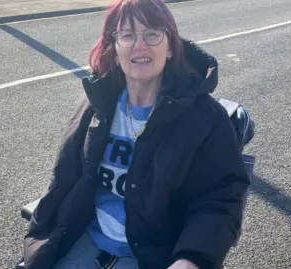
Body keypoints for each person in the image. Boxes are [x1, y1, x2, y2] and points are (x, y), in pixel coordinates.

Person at [16, 0, 250, 268]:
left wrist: (191, 258)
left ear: (171, 46)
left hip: (155, 252)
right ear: (115, 51)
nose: (140, 45)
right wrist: (40, 246)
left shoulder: (205, 118)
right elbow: (64, 179)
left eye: (152, 33)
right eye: (127, 35)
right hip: (83, 237)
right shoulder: (95, 106)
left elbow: (220, 200)